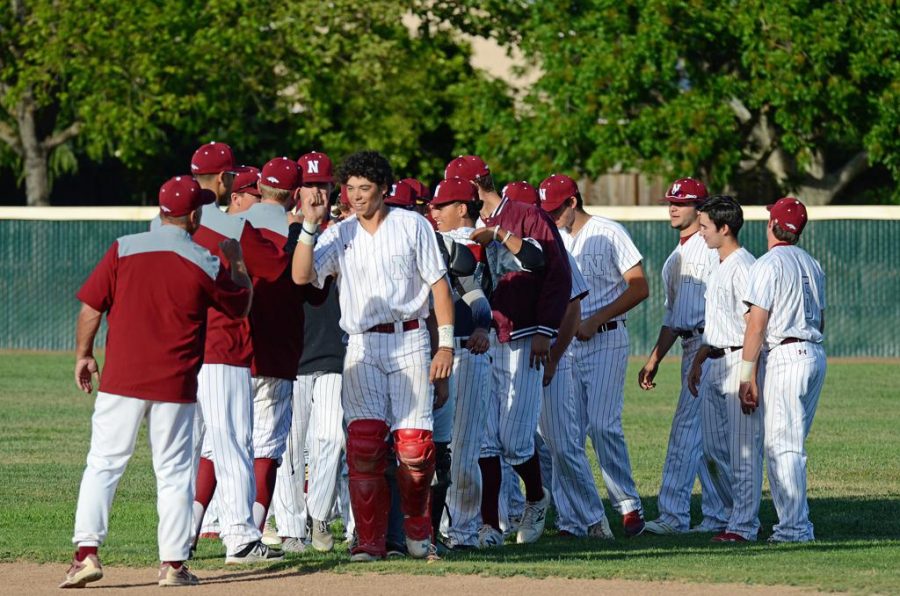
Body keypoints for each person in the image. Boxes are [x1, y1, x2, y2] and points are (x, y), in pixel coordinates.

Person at [60, 176, 252, 588]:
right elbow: (239, 306)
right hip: (175, 384)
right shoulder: (205, 260)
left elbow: (92, 307)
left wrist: (83, 354)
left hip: (121, 379)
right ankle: (172, 565)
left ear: (163, 210)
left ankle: (86, 554)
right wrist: (236, 260)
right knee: (174, 473)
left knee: (104, 464)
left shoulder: (123, 248)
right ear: (194, 215)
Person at [291, 150, 455, 561]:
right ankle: (369, 541)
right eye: (349, 188)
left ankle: (420, 534)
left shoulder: (412, 225)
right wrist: (310, 225)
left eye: (365, 188)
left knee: (415, 450)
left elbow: (439, 286)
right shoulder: (339, 233)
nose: (356, 196)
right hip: (362, 342)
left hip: (411, 338)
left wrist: (446, 344)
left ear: (384, 189)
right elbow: (300, 277)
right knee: (364, 446)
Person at [446, 155, 572, 547]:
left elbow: (555, 273)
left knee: (516, 440)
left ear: (475, 184)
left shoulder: (524, 214)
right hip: (485, 338)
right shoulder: (463, 225)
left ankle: (536, 497)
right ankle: (489, 525)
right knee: (483, 437)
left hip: (525, 335)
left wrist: (547, 331)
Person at [187, 146, 287, 564]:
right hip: (223, 346)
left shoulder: (170, 224)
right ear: (226, 180)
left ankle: (176, 540)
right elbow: (277, 265)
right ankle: (242, 539)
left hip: (180, 351)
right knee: (232, 442)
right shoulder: (230, 227)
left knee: (185, 449)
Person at [539, 173, 649, 538]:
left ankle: (628, 504)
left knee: (603, 425)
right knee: (566, 435)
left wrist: (598, 317)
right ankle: (572, 519)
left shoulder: (609, 231)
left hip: (606, 338)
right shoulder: (552, 238)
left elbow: (639, 285)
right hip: (568, 345)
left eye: (556, 209)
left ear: (573, 202)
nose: (551, 216)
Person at [241, 157, 328, 551]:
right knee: (268, 447)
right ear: (295, 193)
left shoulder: (231, 224)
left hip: (230, 352)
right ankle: (249, 534)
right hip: (278, 352)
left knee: (221, 446)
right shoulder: (301, 232)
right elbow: (313, 288)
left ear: (258, 186)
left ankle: (198, 532)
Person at [271, 151, 347, 553]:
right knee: (288, 444)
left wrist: (318, 226)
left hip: (334, 348)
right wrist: (309, 227)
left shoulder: (343, 232)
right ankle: (290, 526)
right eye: (311, 184)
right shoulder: (281, 232)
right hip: (294, 352)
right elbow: (302, 276)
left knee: (330, 439)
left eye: (324, 184)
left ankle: (319, 516)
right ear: (296, 190)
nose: (318, 191)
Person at [639, 178, 724, 535]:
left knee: (687, 433)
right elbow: (673, 315)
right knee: (708, 438)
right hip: (692, 345)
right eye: (671, 201)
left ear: (700, 208)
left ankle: (673, 516)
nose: (673, 207)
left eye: (682, 202)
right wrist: (656, 357)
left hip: (710, 345)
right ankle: (719, 514)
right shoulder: (678, 255)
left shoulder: (709, 251)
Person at [739, 197, 826, 543]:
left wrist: (746, 377)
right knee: (791, 443)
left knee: (782, 447)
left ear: (774, 225)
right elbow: (822, 319)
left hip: (787, 356)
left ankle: (794, 529)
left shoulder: (768, 263)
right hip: (815, 353)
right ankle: (795, 523)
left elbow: (756, 326)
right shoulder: (812, 263)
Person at [686, 195, 763, 543]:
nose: (700, 232)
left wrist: (749, 376)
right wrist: (700, 356)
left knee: (743, 448)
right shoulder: (719, 262)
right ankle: (729, 516)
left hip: (736, 363)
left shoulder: (744, 265)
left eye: (704, 226)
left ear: (725, 227)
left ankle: (744, 525)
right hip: (715, 358)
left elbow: (753, 324)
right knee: (713, 450)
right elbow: (720, 321)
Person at [428, 177, 493, 550]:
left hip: (466, 350)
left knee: (465, 449)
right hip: (430, 351)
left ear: (462, 207)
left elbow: (477, 296)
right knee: (435, 449)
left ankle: (464, 532)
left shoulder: (468, 243)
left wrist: (483, 325)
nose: (432, 212)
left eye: (440, 206)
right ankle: (427, 530)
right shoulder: (427, 241)